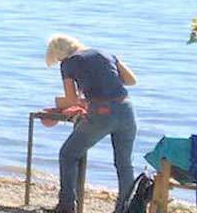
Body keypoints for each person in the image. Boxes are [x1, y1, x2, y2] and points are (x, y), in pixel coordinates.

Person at [44, 34, 139, 213]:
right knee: (124, 164)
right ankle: (125, 209)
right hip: (127, 109)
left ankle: (66, 206)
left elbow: (72, 99)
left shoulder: (69, 62)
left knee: (68, 154)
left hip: (102, 112)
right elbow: (131, 80)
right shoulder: (105, 53)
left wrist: (59, 103)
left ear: (59, 54)